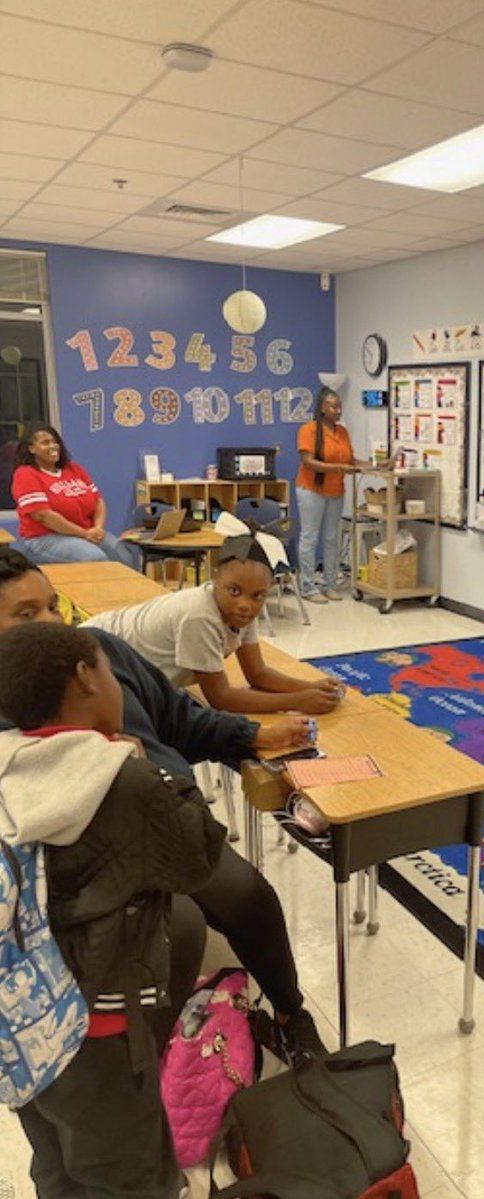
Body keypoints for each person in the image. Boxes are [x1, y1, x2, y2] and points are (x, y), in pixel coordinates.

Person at [0, 545, 328, 1065]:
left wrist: (253, 734)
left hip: (173, 822)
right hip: (83, 867)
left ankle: (289, 1016)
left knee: (249, 896)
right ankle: (156, 1062)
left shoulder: (99, 650)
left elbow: (179, 718)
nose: (50, 624)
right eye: (25, 615)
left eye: (52, 606)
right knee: (174, 929)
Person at [0, 621, 226, 1199]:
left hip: (25, 1021)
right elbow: (198, 855)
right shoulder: (121, 777)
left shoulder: (9, 765)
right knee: (130, 1173)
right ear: (86, 677)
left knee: (56, 1158)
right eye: (106, 668)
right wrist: (148, 761)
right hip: (101, 1023)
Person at [83, 530, 343, 715]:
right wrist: (298, 701)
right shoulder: (199, 616)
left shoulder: (240, 611)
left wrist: (312, 688)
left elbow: (257, 674)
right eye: (234, 591)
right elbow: (221, 698)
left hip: (120, 662)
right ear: (215, 580)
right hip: (96, 656)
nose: (245, 603)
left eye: (258, 596)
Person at [11, 422, 136, 566]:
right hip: (43, 538)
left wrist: (98, 528)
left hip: (86, 533)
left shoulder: (74, 469)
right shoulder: (26, 474)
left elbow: (98, 502)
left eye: (54, 442)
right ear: (31, 449)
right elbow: (44, 516)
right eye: (45, 443)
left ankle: (130, 589)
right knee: (94, 558)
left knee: (123, 554)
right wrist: (84, 534)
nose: (53, 446)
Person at [296, 386, 369, 603]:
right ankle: (308, 586)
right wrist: (338, 468)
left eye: (340, 407)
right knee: (309, 538)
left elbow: (350, 462)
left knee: (330, 539)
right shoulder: (308, 430)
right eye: (333, 406)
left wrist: (376, 465)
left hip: (335, 491)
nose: (338, 411)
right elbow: (308, 462)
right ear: (322, 407)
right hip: (311, 490)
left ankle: (329, 583)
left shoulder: (342, 432)